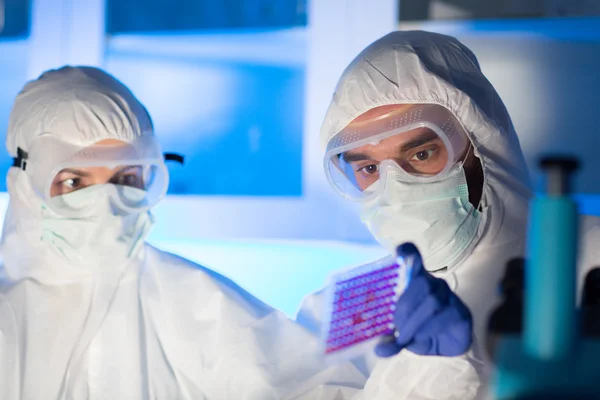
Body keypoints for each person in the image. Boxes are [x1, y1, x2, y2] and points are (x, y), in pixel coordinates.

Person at [0, 66, 474, 400]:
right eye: (74, 181)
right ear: (23, 185)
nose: (104, 204)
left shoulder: (191, 301)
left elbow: (307, 387)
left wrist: (428, 368)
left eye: (126, 179)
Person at [297, 30, 536, 399]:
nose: (396, 188)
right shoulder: (357, 303)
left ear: (481, 144)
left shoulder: (583, 259)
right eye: (369, 169)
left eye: (422, 154)